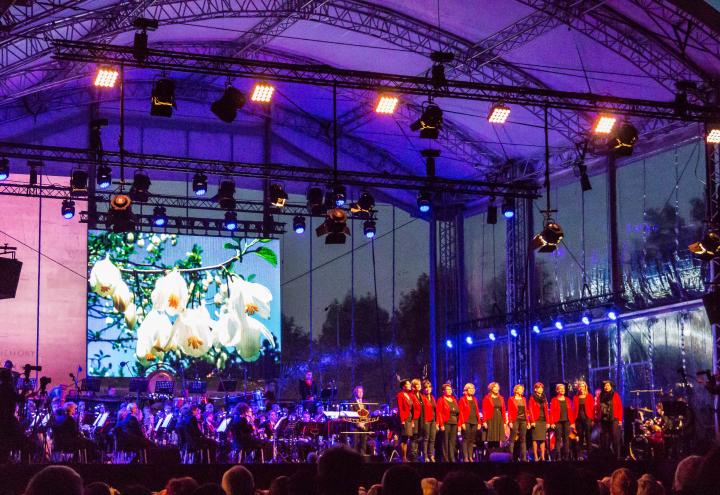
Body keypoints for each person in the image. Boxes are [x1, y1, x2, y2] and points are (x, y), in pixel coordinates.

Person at [396, 379, 420, 462]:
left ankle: (405, 457)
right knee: (403, 438)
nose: (410, 385)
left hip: (409, 417)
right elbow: (400, 408)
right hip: (404, 418)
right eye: (408, 384)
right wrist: (402, 420)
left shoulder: (410, 395)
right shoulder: (400, 395)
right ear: (403, 386)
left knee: (407, 438)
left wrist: (413, 420)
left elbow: (414, 407)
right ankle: (403, 457)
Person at [598, 380, 623, 459]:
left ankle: (617, 457)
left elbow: (619, 407)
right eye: (605, 385)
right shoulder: (601, 395)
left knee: (615, 438)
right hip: (604, 420)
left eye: (608, 385)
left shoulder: (615, 395)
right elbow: (599, 408)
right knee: (606, 439)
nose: (606, 387)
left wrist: (620, 419)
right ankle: (608, 457)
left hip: (614, 419)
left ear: (611, 386)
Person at [549, 383, 574, 461]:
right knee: (558, 439)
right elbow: (552, 412)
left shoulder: (568, 400)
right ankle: (558, 457)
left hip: (567, 421)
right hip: (558, 422)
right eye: (561, 388)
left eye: (563, 388)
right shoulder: (554, 400)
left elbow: (571, 412)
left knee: (566, 439)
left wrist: (572, 422)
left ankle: (566, 457)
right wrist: (552, 422)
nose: (563, 390)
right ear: (557, 390)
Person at [481, 382, 506, 458]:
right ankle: (490, 456)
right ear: (491, 388)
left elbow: (503, 410)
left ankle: (497, 456)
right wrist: (484, 421)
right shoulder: (487, 398)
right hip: (490, 419)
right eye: (495, 387)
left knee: (498, 438)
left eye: (497, 387)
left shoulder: (501, 398)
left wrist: (504, 421)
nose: (496, 388)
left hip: (499, 418)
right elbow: (484, 410)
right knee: (491, 438)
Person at [458, 383, 481, 462]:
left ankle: (470, 457)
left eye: (473, 389)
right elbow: (460, 412)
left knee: (471, 440)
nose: (472, 390)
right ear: (466, 390)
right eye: (470, 388)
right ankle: (466, 457)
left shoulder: (474, 399)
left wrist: (479, 422)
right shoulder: (462, 399)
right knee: (465, 439)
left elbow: (477, 411)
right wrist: (462, 423)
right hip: (466, 421)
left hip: (474, 421)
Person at [436, 383, 459, 462]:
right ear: (443, 391)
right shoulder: (441, 400)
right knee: (445, 441)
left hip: (454, 422)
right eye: (447, 390)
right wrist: (441, 424)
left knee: (452, 441)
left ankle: (452, 458)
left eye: (450, 390)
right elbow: (439, 413)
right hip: (446, 422)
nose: (449, 391)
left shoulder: (454, 399)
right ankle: (445, 458)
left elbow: (458, 412)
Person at [507, 384, 530, 462]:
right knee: (512, 439)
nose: (522, 391)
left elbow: (526, 411)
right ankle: (511, 457)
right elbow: (509, 411)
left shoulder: (523, 399)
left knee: (523, 439)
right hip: (515, 420)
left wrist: (528, 422)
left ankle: (523, 458)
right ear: (516, 390)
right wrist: (510, 421)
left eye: (522, 389)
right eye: (520, 389)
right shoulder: (511, 399)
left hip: (523, 420)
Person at [572, 380, 594, 458]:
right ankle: (580, 455)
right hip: (578, 420)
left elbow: (592, 409)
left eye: (582, 386)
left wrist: (592, 419)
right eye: (580, 386)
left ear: (585, 387)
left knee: (588, 437)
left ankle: (590, 455)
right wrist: (573, 421)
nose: (581, 388)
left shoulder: (589, 396)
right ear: (578, 388)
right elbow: (573, 410)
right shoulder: (575, 397)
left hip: (587, 419)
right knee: (580, 437)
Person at [528, 382, 549, 461]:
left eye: (542, 388)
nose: (541, 389)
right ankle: (536, 456)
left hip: (543, 420)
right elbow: (530, 409)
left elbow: (546, 410)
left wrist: (548, 422)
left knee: (543, 439)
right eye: (539, 388)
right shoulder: (532, 398)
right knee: (535, 439)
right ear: (535, 389)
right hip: (536, 420)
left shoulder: (544, 398)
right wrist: (532, 421)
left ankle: (543, 456)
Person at [419, 380, 437, 462]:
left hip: (433, 420)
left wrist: (436, 422)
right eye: (426, 387)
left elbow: (435, 410)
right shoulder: (422, 397)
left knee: (432, 439)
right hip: (426, 420)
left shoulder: (432, 397)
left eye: (429, 387)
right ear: (423, 389)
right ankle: (425, 456)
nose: (428, 389)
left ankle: (431, 455)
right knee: (426, 438)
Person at [349, 385, 370, 455]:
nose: (361, 393)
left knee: (363, 446)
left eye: (362, 392)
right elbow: (352, 415)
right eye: (359, 392)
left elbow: (368, 414)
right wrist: (358, 424)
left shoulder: (366, 402)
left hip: (364, 427)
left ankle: (363, 461)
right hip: (355, 428)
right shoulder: (352, 403)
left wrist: (364, 423)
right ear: (355, 393)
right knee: (354, 446)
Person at [410, 378, 424, 460]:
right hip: (414, 419)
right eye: (417, 385)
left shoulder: (421, 396)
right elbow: (410, 409)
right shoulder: (411, 395)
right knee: (414, 437)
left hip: (421, 419)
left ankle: (417, 454)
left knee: (419, 437)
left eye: (419, 384)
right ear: (413, 387)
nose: (419, 386)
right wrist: (411, 421)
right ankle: (413, 455)